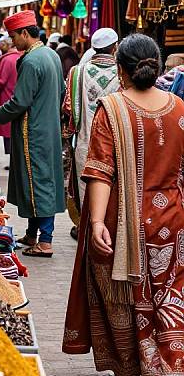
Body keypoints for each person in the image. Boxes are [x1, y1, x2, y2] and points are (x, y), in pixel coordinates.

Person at [63, 34, 184, 376]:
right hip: (173, 224)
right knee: (169, 299)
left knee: (123, 298)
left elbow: (100, 169)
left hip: (122, 225)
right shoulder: (179, 107)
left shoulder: (112, 108)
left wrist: (97, 222)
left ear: (120, 70)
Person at [0, 10, 66, 257]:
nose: (12, 42)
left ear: (24, 33)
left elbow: (19, 102)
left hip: (33, 131)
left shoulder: (31, 61)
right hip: (48, 128)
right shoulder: (51, 54)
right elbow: (60, 91)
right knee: (37, 180)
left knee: (38, 182)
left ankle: (46, 240)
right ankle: (32, 234)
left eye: (13, 36)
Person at [63, 27, 120, 241]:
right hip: (114, 141)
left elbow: (68, 107)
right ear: (114, 48)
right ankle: (110, 228)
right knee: (112, 184)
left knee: (86, 185)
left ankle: (87, 228)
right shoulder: (122, 71)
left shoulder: (77, 72)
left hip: (85, 141)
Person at [0, 36, 21, 167]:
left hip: (7, 97)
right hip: (14, 95)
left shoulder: (7, 60)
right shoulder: (19, 57)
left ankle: (14, 162)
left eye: (1, 45)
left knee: (9, 133)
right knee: (13, 132)